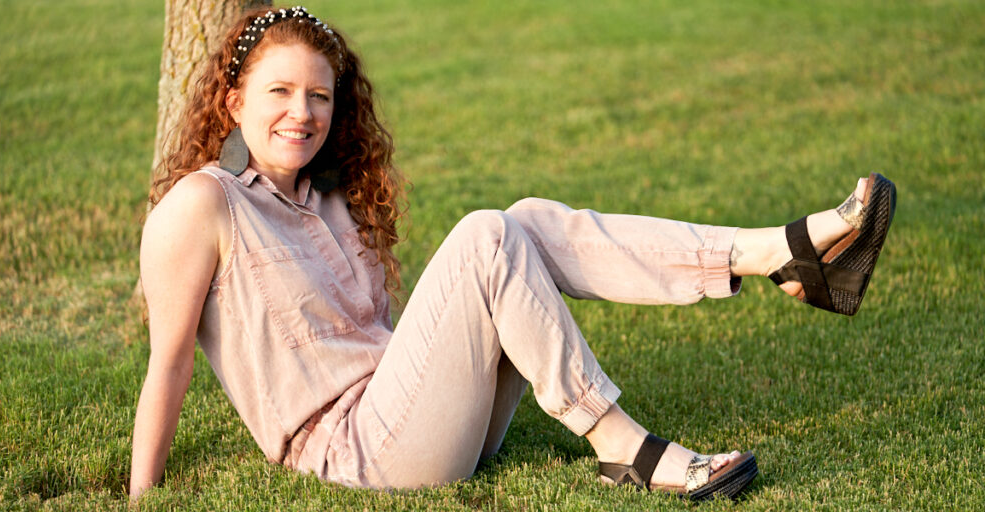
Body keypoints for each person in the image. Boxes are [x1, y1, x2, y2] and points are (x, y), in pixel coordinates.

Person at [129, 6, 896, 502]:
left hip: (423, 419)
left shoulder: (327, 194)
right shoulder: (204, 206)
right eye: (279, 93)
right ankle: (625, 446)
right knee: (488, 233)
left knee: (521, 220)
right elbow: (170, 363)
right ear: (234, 103)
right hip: (355, 457)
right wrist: (140, 497)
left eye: (320, 96)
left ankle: (775, 252)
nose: (302, 113)